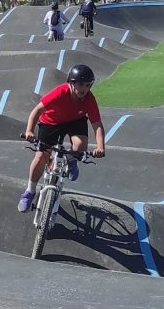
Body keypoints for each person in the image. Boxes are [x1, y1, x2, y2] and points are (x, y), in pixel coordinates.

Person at [19, 65, 108, 211]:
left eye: (88, 85)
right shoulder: (60, 93)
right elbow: (37, 110)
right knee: (41, 156)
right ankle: (30, 191)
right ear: (71, 83)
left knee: (80, 146)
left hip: (75, 121)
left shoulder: (89, 99)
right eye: (81, 84)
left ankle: (71, 160)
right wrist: (29, 131)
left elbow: (97, 125)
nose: (84, 89)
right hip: (51, 121)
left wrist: (100, 147)